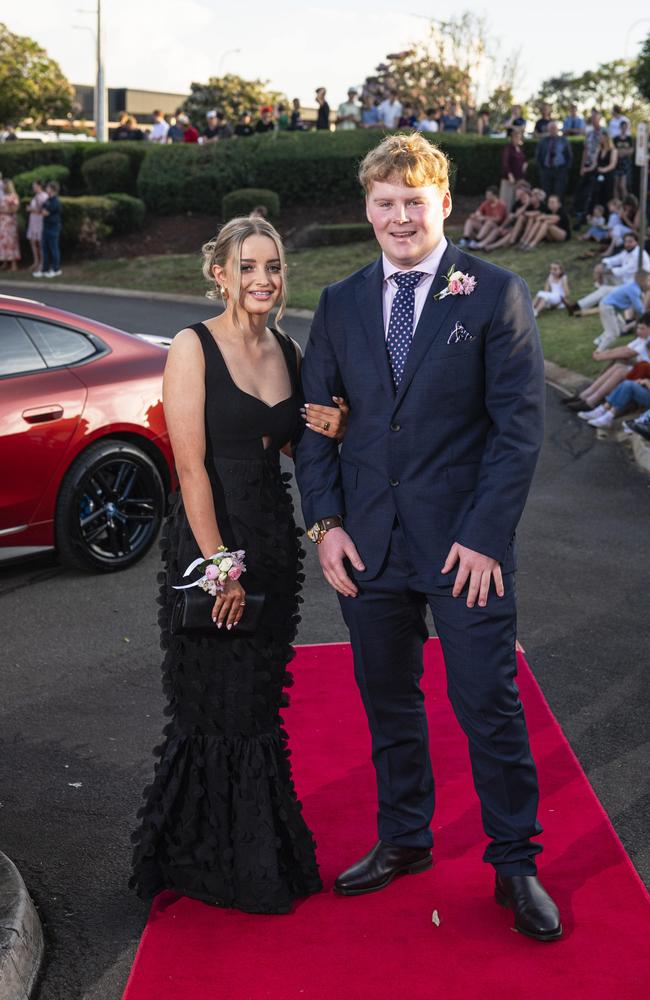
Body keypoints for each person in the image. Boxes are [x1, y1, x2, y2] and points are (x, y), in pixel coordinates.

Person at [295, 132, 561, 942]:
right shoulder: (339, 303)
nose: (400, 217)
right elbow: (315, 427)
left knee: (488, 702)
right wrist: (327, 525)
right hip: (369, 546)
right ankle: (405, 839)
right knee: (388, 702)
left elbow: (518, 431)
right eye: (385, 203)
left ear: (444, 203)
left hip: (465, 550)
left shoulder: (494, 292)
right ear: (367, 209)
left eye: (415, 201)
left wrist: (484, 537)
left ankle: (515, 863)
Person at [130, 216, 349, 914]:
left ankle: (249, 851)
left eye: (273, 267)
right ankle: (198, 858)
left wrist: (331, 427)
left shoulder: (286, 346)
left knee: (255, 705)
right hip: (210, 547)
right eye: (247, 267)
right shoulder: (192, 349)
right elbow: (190, 468)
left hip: (274, 546)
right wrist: (220, 566)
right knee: (209, 704)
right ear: (218, 273)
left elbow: (287, 443)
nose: (263, 279)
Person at [563, 312, 650, 412]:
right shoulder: (642, 338)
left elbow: (628, 353)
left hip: (645, 375)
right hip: (642, 369)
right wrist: (605, 353)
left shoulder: (648, 340)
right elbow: (624, 348)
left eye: (642, 328)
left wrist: (602, 356)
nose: (638, 331)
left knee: (620, 369)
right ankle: (586, 395)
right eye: (638, 328)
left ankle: (592, 401)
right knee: (618, 364)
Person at [564, 233, 650, 315]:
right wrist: (603, 265)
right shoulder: (626, 252)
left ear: (637, 242)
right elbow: (614, 259)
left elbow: (624, 270)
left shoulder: (639, 255)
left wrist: (605, 270)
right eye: (626, 241)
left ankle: (576, 306)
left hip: (637, 289)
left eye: (630, 241)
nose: (627, 244)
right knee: (604, 273)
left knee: (604, 288)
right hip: (627, 282)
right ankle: (599, 300)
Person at [593, 272, 649, 351]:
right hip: (608, 308)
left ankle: (599, 341)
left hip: (611, 308)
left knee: (622, 328)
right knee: (613, 333)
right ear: (642, 281)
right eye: (648, 281)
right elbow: (639, 308)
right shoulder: (633, 290)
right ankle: (599, 351)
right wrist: (646, 314)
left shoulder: (634, 286)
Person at [573, 110, 604, 225]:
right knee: (582, 190)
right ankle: (580, 213)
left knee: (593, 192)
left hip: (598, 167)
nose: (594, 120)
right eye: (592, 119)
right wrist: (582, 166)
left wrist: (592, 166)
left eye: (595, 118)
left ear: (599, 119)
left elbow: (601, 150)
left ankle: (591, 214)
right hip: (587, 166)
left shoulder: (604, 132)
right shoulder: (589, 134)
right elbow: (585, 151)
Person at [535, 121, 572, 199]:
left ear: (557, 129)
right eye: (551, 128)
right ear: (548, 130)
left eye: (554, 128)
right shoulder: (543, 141)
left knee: (559, 194)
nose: (552, 130)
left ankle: (558, 210)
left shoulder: (563, 140)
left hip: (560, 171)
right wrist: (542, 169)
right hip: (546, 171)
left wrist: (565, 169)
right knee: (546, 193)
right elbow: (538, 156)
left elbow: (569, 156)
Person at [38, 180, 62, 278]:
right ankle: (45, 269)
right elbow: (41, 210)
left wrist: (44, 211)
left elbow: (46, 212)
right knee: (45, 249)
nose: (46, 189)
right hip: (46, 227)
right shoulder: (48, 200)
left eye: (48, 187)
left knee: (53, 249)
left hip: (53, 228)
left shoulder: (55, 201)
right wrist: (43, 211)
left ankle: (56, 269)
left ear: (52, 189)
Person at [500, 128, 527, 210]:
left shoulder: (520, 149)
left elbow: (523, 160)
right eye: (516, 137)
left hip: (519, 177)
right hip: (510, 178)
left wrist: (525, 165)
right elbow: (505, 163)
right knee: (507, 198)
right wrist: (509, 175)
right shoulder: (508, 148)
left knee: (516, 199)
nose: (518, 139)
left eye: (519, 137)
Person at [26, 178, 48, 273]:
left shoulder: (43, 196)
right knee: (33, 242)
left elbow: (42, 210)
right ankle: (36, 261)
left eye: (34, 186)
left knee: (40, 243)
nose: (33, 188)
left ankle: (43, 262)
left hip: (40, 222)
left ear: (39, 186)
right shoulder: (35, 196)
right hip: (33, 221)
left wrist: (31, 209)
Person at [0, 179, 20, 272]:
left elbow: (14, 210)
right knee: (3, 242)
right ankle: (5, 262)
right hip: (2, 222)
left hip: (9, 222)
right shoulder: (4, 196)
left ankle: (13, 264)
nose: (2, 186)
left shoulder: (13, 196)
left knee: (11, 242)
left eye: (4, 185)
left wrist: (3, 211)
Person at [613, 121, 634, 200]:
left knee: (622, 185)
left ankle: (626, 203)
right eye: (622, 127)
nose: (624, 129)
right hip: (616, 163)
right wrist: (624, 151)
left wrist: (620, 151)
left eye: (625, 127)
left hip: (626, 164)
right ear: (620, 127)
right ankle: (616, 203)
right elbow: (614, 150)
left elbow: (631, 151)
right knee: (616, 185)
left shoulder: (629, 139)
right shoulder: (616, 139)